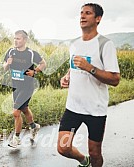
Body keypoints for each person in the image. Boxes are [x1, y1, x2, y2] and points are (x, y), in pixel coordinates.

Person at [57, 3, 120, 167]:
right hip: (73, 107)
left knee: (95, 153)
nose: (82, 16)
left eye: (88, 13)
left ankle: (91, 160)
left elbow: (115, 79)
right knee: (63, 148)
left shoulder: (105, 44)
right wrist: (67, 76)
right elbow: (73, 67)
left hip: (95, 110)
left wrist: (90, 68)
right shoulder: (74, 44)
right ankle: (84, 161)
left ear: (98, 19)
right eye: (81, 13)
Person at [3, 30, 46, 148]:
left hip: (27, 87)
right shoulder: (11, 52)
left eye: (18, 38)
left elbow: (43, 63)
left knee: (16, 112)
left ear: (25, 40)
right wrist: (7, 64)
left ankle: (16, 138)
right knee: (24, 109)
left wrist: (35, 71)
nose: (15, 41)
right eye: (15, 38)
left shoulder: (31, 54)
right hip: (16, 86)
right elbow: (4, 67)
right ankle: (34, 126)